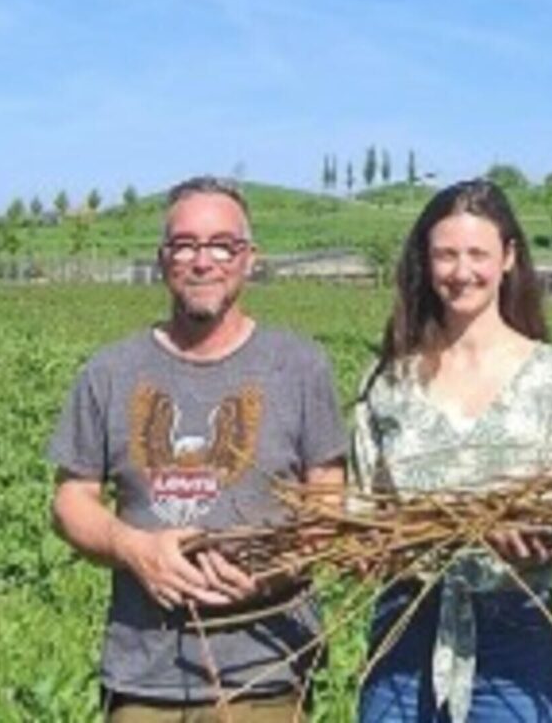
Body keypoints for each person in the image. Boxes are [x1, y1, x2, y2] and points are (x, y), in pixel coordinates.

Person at [47, 177, 347, 721]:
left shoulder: (301, 367)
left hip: (266, 674)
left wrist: (271, 570)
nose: (202, 261)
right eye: (185, 245)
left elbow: (327, 502)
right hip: (144, 678)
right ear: (164, 260)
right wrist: (135, 548)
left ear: (249, 259)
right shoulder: (109, 371)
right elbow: (71, 501)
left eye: (221, 246)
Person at [349, 179, 552, 723]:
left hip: (516, 632)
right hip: (406, 626)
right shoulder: (388, 382)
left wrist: (542, 536)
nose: (462, 272)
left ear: (508, 258)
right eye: (446, 255)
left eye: (478, 254)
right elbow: (362, 514)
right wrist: (373, 546)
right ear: (426, 263)